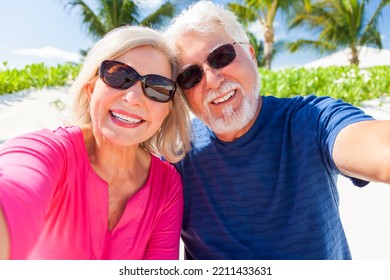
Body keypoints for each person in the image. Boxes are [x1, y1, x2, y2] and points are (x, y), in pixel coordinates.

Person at [164, 1, 390, 260]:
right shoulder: (176, 155)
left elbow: (376, 149)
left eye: (221, 57)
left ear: (251, 54)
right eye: (191, 76)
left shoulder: (310, 120)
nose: (212, 80)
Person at [0, 25, 191, 260]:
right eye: (118, 76)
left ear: (167, 111)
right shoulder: (50, 152)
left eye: (157, 88)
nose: (132, 98)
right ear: (91, 89)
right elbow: (14, 187)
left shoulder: (167, 185)